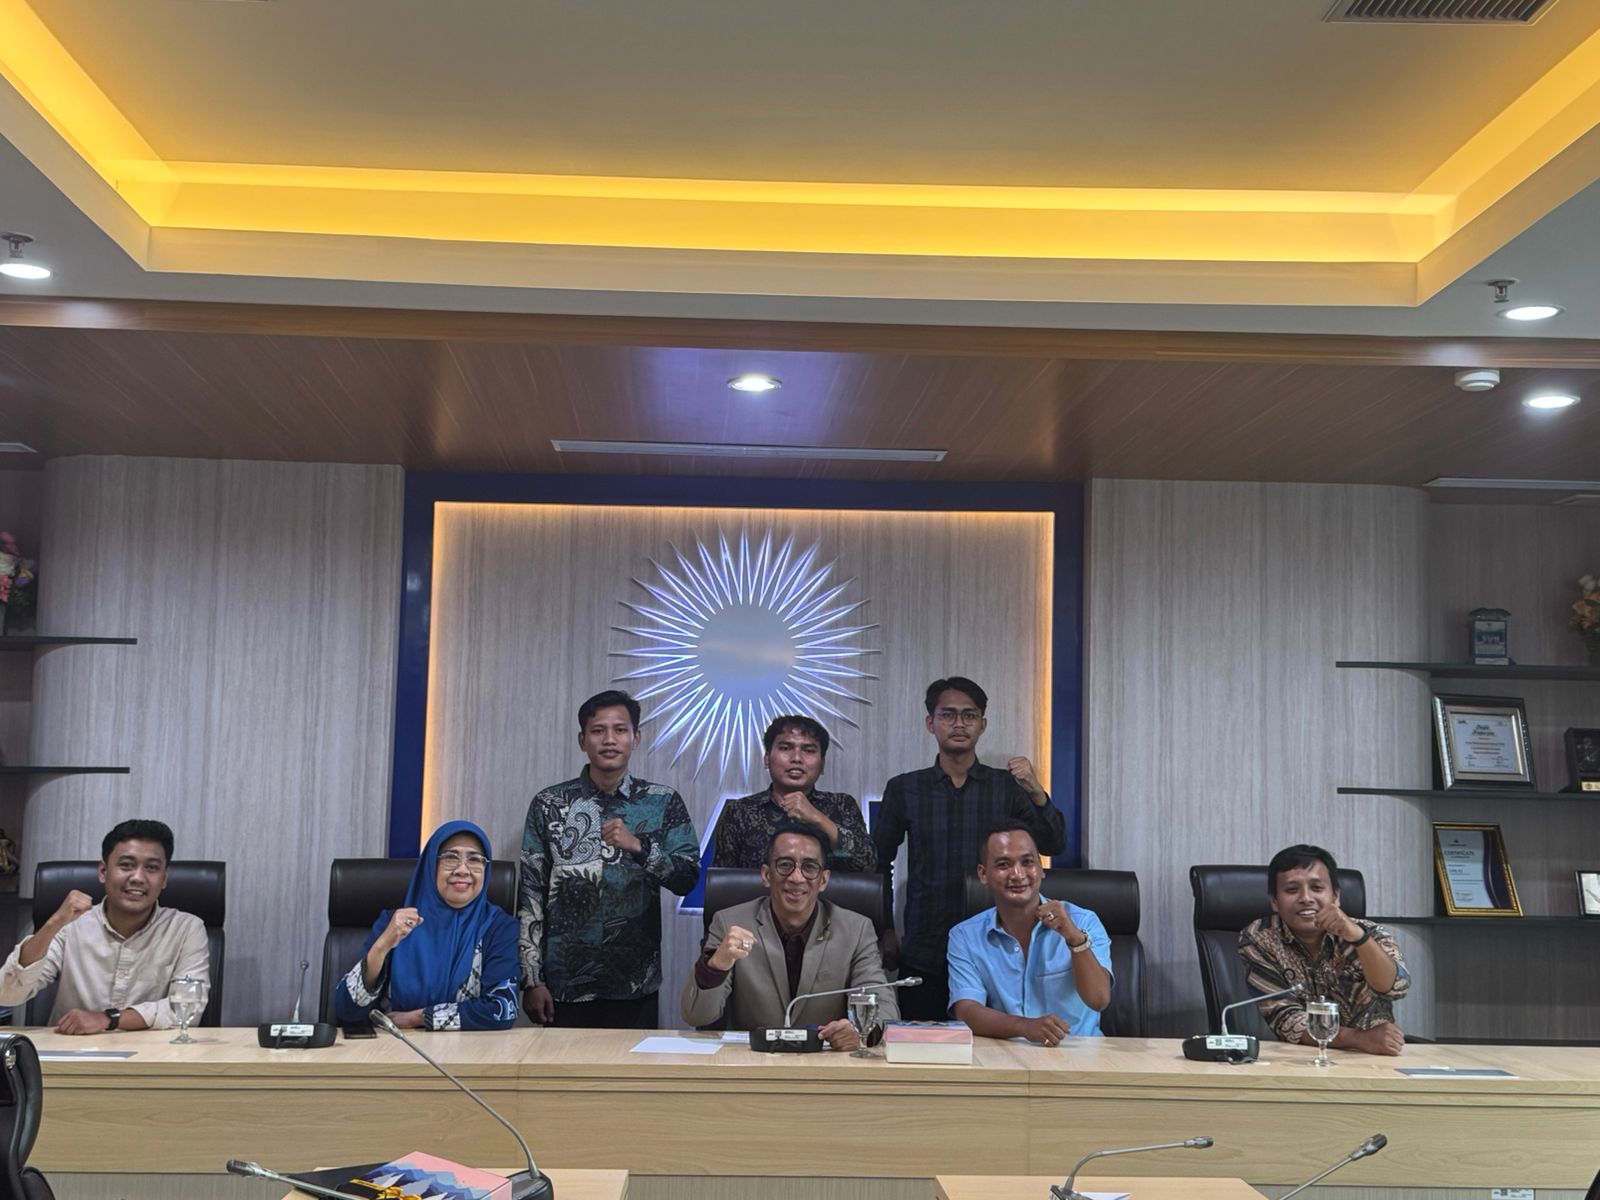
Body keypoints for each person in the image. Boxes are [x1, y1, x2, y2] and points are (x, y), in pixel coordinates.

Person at [873, 676, 1065, 1020]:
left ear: (982, 724)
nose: (959, 724)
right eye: (948, 715)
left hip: (995, 948)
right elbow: (879, 861)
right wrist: (885, 927)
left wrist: (1036, 791)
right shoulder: (905, 788)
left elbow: (1054, 843)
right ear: (930, 723)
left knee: (997, 1044)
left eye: (969, 715)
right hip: (925, 948)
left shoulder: (1006, 787)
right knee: (922, 1046)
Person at [519, 689, 700, 1028]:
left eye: (620, 730)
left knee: (632, 1065)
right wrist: (531, 978)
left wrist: (640, 847)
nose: (609, 740)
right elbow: (531, 894)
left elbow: (687, 879)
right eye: (598, 730)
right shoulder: (549, 803)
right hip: (564, 981)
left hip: (634, 981)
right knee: (561, 1065)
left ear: (636, 738)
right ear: (582, 740)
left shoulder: (662, 801)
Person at [682, 822, 896, 1048]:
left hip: (826, 1059)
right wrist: (716, 966)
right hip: (753, 1059)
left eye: (809, 867)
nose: (796, 878)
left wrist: (860, 1032)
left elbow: (884, 1007)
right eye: (785, 865)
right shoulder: (730, 923)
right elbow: (696, 1016)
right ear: (766, 875)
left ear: (823, 880)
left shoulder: (856, 930)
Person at [0, 819, 208, 1034]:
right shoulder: (71, 924)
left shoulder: (186, 929)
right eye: (126, 865)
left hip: (151, 1052)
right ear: (102, 871)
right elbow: (8, 994)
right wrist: (54, 922)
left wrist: (107, 1019)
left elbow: (188, 1008)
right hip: (72, 1049)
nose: (138, 877)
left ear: (164, 878)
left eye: (151, 868)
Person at [332, 820, 518, 1030]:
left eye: (475, 859)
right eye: (450, 857)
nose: (462, 870)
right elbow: (347, 1009)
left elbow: (503, 1009)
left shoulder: (499, 927)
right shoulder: (395, 923)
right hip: (394, 1046)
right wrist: (381, 946)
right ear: (430, 865)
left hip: (468, 1048)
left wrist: (420, 1017)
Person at [1237, 844, 1409, 1056]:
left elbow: (1397, 988)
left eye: (1317, 888)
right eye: (1292, 890)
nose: (1306, 898)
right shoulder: (1260, 938)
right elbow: (1287, 1020)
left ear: (1336, 896)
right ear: (1274, 901)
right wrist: (1358, 1038)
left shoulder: (1369, 932)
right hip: (1300, 1059)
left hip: (1373, 1056)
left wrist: (1359, 939)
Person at [948, 824, 1111, 1045]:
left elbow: (1099, 1000)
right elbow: (966, 1010)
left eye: (1027, 862)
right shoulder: (965, 936)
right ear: (983, 874)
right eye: (1004, 865)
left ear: (1041, 868)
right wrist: (1024, 1027)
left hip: (1079, 1054)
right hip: (1007, 1054)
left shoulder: (1083, 921)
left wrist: (1075, 939)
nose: (1018, 874)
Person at [710, 715, 874, 872]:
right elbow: (723, 882)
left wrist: (818, 818)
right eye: (785, 748)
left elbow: (867, 864)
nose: (796, 758)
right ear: (767, 759)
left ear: (822, 764)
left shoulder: (841, 806)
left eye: (808, 750)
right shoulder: (741, 811)